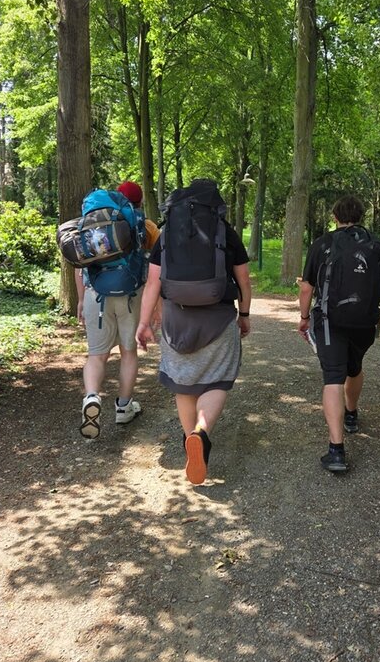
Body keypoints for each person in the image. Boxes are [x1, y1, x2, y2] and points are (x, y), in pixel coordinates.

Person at [136, 179, 252, 486]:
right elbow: (244, 280)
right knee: (217, 380)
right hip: (218, 318)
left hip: (176, 320)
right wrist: (245, 315)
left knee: (183, 384)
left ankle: (191, 443)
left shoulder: (167, 233)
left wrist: (144, 322)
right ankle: (201, 433)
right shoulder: (225, 231)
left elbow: (153, 283)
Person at [298, 194, 380, 473]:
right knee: (354, 369)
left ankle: (336, 451)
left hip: (330, 321)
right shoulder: (376, 247)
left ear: (335, 217)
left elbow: (307, 289)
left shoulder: (321, 244)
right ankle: (351, 415)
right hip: (366, 322)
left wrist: (304, 318)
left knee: (333, 376)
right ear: (361, 216)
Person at [76, 181, 160, 439]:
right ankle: (124, 407)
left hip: (95, 295)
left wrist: (80, 300)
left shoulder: (92, 222)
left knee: (96, 355)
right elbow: (157, 269)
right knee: (128, 352)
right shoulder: (145, 226)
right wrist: (156, 307)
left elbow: (80, 267)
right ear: (139, 202)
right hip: (131, 296)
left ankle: (91, 397)